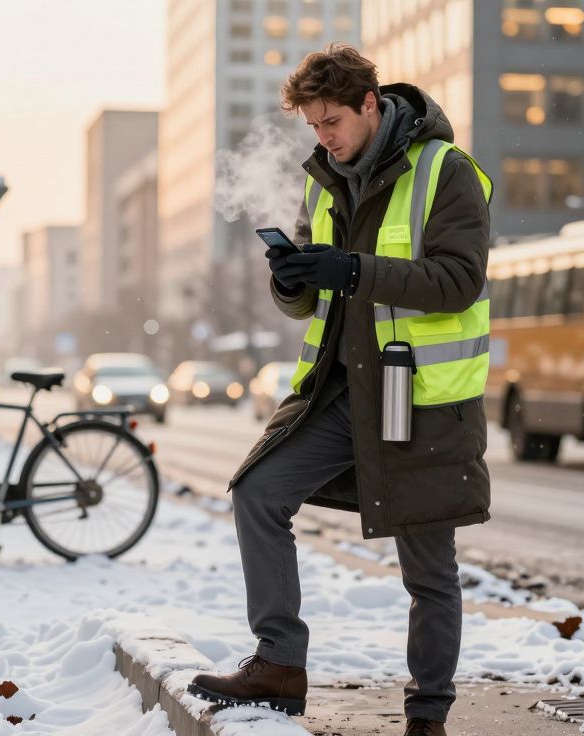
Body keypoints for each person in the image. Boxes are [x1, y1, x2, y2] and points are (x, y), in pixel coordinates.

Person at [188, 45, 493, 736]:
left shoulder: (447, 172)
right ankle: (279, 664)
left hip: (421, 401)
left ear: (369, 104)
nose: (322, 136)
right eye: (312, 125)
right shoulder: (324, 180)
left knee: (428, 571)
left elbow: (457, 281)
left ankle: (428, 714)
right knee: (259, 493)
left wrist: (352, 270)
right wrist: (291, 280)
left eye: (331, 121)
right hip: (340, 389)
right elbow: (308, 297)